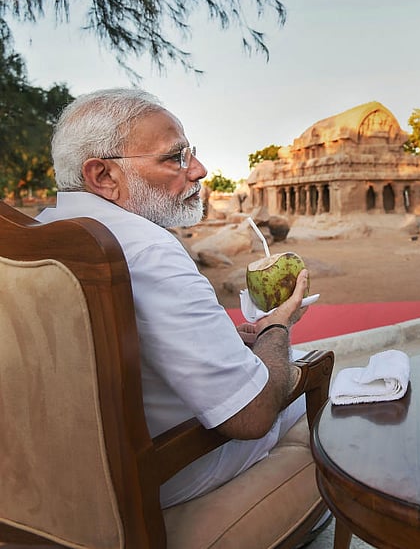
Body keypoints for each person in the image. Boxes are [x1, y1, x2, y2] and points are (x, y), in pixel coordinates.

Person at [38, 88, 316, 511]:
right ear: (103, 177)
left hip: (54, 475)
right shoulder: (147, 249)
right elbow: (252, 415)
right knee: (312, 381)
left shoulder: (42, 231)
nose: (200, 170)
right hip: (153, 475)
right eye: (176, 157)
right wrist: (277, 327)